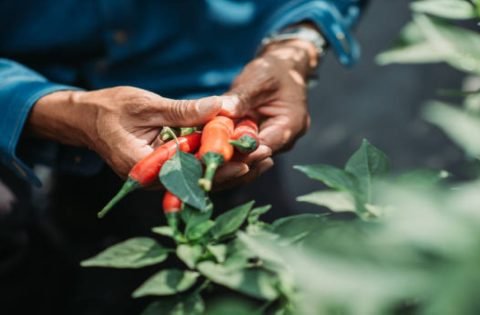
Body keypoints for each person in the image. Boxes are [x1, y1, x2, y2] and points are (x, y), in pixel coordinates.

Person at [0, 1, 365, 314]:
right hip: (29, 96)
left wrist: (298, 42)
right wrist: (49, 108)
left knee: (263, 277)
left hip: (221, 91)